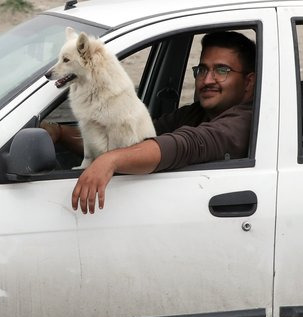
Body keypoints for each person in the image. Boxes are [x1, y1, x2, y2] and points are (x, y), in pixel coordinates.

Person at [44, 31, 256, 214]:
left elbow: (186, 144)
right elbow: (135, 144)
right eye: (202, 70)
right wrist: (59, 133)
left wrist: (110, 160)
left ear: (249, 82)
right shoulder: (195, 113)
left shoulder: (245, 123)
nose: (207, 79)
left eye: (222, 70)